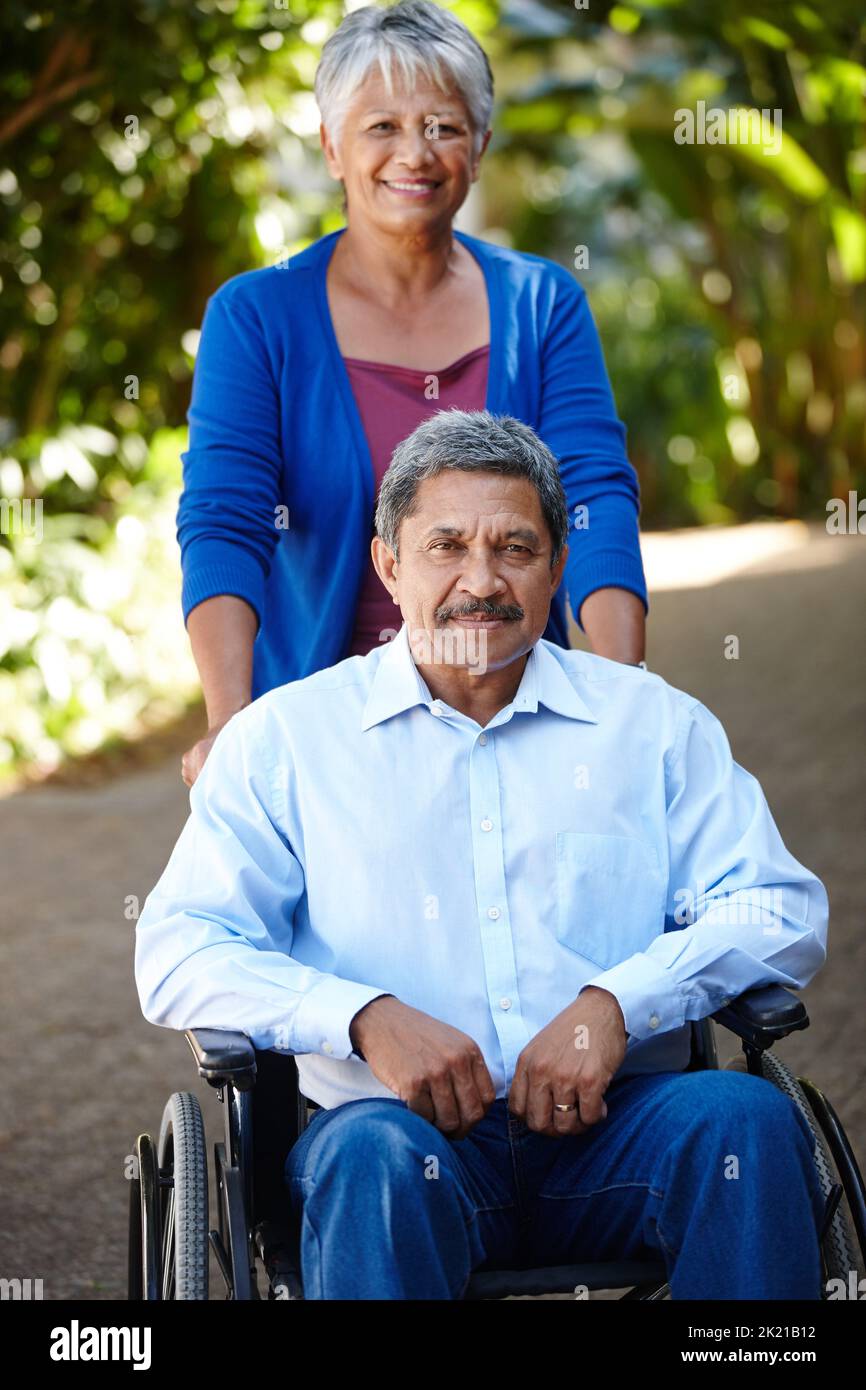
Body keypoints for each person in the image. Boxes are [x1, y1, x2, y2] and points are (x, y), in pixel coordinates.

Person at [135, 408, 829, 1300]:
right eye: (446, 546)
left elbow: (775, 906)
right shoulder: (288, 740)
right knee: (372, 1155)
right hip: (395, 1146)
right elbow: (179, 946)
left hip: (621, 1133)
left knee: (746, 1121)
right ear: (388, 564)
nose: (481, 580)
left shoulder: (652, 725)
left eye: (514, 548)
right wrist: (362, 1017)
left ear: (556, 568)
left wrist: (617, 1004)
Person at [178, 0, 648, 788]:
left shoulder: (544, 303)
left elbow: (594, 498)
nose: (415, 154)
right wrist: (231, 725)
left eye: (443, 125)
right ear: (331, 146)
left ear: (482, 144)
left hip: (520, 717)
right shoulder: (256, 316)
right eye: (381, 127)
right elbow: (226, 520)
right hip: (326, 733)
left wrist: (628, 697)